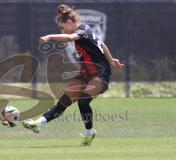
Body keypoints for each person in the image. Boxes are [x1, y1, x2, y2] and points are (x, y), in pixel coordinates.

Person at [22, 4, 124, 146]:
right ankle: (40, 123)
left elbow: (70, 38)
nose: (61, 30)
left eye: (62, 27)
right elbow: (102, 44)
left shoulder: (82, 31)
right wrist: (111, 59)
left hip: (101, 75)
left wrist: (50, 36)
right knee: (63, 102)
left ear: (69, 22)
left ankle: (90, 132)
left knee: (83, 100)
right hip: (85, 74)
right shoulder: (86, 29)